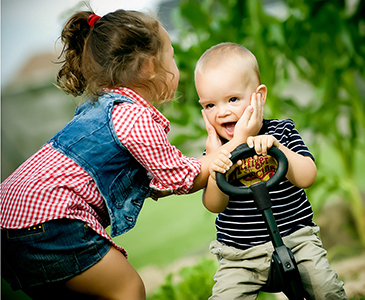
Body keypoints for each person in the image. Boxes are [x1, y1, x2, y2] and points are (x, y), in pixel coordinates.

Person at [0, 10, 263, 300]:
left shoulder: (100, 107)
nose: (175, 65)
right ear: (151, 66)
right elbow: (180, 178)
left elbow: (153, 182)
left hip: (10, 220)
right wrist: (238, 141)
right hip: (51, 219)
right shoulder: (134, 115)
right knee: (128, 289)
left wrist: (213, 155)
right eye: (172, 56)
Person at [195, 42, 347, 300]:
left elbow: (308, 176)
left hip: (296, 240)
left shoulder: (281, 132)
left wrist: (280, 149)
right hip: (240, 254)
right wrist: (215, 169)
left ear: (259, 96)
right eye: (210, 105)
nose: (222, 112)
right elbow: (214, 205)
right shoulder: (215, 150)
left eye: (232, 99)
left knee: (327, 291)